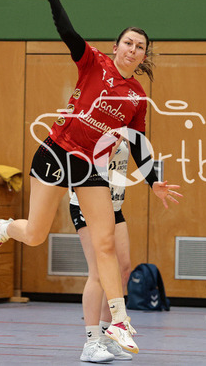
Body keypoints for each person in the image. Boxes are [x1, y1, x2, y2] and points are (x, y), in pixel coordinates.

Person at [0, 0, 182, 356]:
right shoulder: (93, 63)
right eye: (128, 43)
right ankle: (3, 228)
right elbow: (67, 31)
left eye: (140, 47)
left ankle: (118, 321)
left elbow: (138, 143)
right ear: (116, 47)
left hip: (90, 167)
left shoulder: (137, 96)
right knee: (34, 234)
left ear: (143, 56)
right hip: (56, 152)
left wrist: (153, 181)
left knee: (106, 243)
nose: (133, 50)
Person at [70, 138, 133, 362]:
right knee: (98, 272)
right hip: (88, 206)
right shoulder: (92, 128)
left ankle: (107, 337)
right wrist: (109, 148)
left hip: (114, 206)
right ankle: (91, 343)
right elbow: (84, 165)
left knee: (123, 270)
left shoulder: (123, 128)